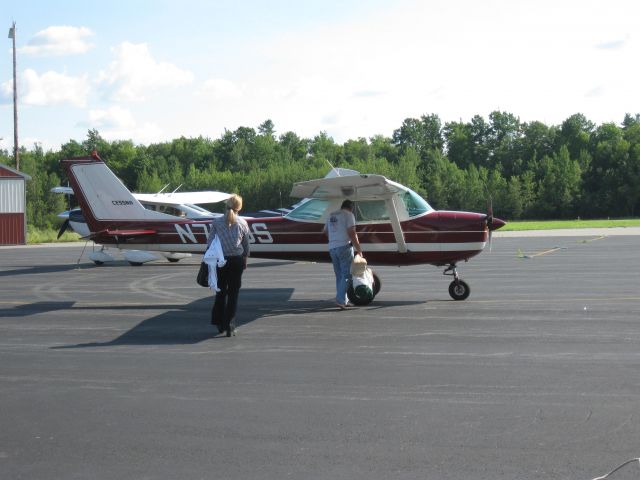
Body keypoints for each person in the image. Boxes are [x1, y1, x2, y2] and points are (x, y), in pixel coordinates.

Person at [207, 194, 250, 336]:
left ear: (226, 206)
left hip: (220, 261)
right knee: (233, 294)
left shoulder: (217, 222)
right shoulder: (243, 223)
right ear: (239, 208)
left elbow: (210, 243)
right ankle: (230, 327)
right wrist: (245, 258)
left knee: (220, 292)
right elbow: (246, 245)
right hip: (236, 261)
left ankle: (219, 323)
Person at [324, 199, 363, 309]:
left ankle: (344, 300)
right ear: (351, 208)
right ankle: (340, 300)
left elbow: (325, 231)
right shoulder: (349, 215)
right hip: (344, 247)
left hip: (332, 248)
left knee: (339, 275)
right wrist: (359, 249)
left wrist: (334, 240)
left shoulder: (331, 215)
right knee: (347, 275)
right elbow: (352, 233)